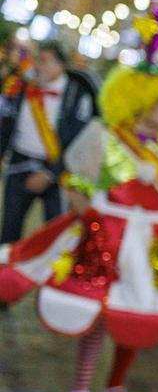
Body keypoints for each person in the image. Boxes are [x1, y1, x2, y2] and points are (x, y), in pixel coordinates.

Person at [0, 0, 158, 392]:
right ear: (138, 101)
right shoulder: (106, 137)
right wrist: (89, 219)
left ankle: (116, 385)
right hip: (108, 239)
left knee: (139, 315)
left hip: (151, 245)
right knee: (98, 314)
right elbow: (77, 182)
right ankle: (80, 387)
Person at [0, 42, 97, 243]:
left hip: (57, 172)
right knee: (9, 232)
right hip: (19, 165)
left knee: (54, 238)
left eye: (44, 61)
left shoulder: (76, 94)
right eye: (37, 60)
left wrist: (50, 173)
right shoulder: (21, 87)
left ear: (61, 65)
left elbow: (79, 142)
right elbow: (6, 127)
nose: (37, 66)